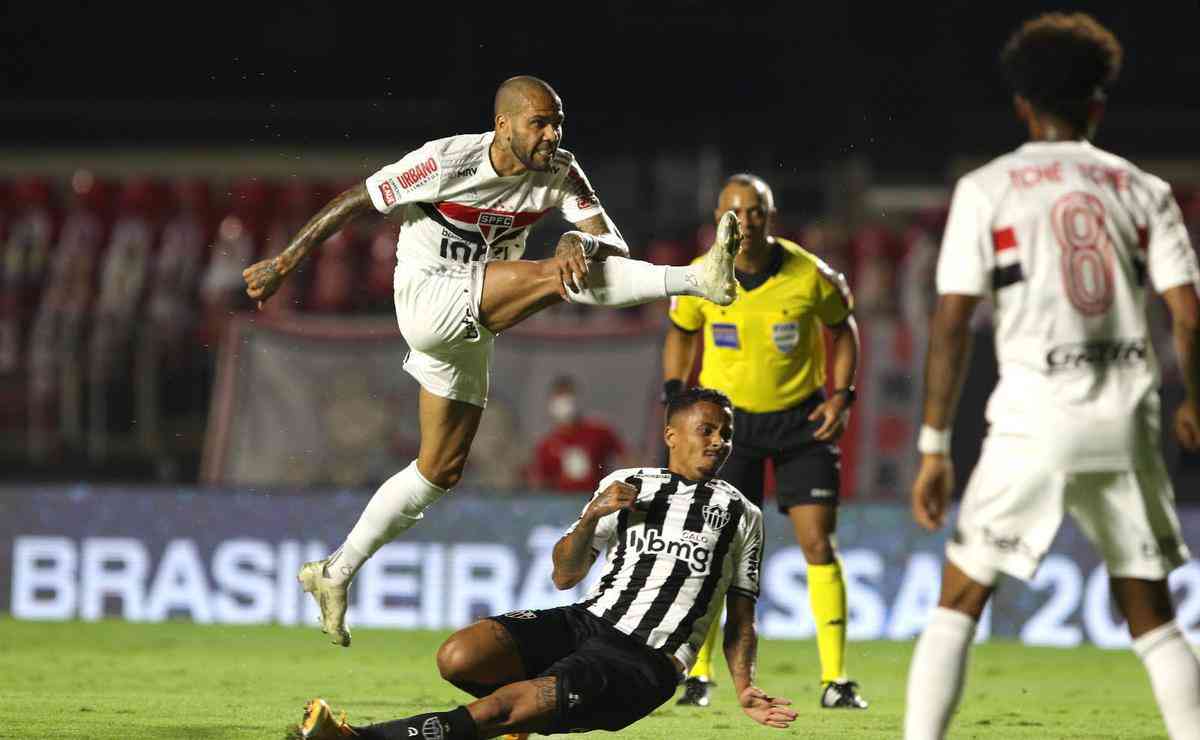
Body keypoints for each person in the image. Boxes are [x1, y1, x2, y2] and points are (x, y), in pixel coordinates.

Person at [243, 76, 743, 647]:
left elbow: (613, 248)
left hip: (477, 317)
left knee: (439, 470)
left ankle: (334, 573)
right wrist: (285, 263)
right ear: (503, 125)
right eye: (540, 123)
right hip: (428, 301)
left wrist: (584, 242)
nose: (552, 134)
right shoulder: (446, 160)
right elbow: (357, 200)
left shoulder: (561, 170)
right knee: (557, 274)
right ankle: (697, 278)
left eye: (558, 122)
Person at [904, 13, 1200, 740]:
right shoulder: (1146, 191)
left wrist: (936, 444)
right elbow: (1188, 315)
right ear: (1099, 104)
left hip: (1033, 418)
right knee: (1152, 614)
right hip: (1128, 414)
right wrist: (1194, 397)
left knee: (960, 598)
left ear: (1021, 105)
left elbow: (950, 323)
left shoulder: (987, 188)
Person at [290, 387, 797, 739]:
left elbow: (741, 618)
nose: (719, 442)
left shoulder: (742, 514)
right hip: (587, 621)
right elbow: (565, 575)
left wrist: (746, 686)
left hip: (642, 661)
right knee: (459, 657)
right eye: (707, 430)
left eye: (725, 434)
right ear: (671, 435)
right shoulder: (628, 485)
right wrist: (592, 516)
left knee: (499, 708)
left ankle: (362, 739)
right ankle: (523, 717)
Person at [662, 173, 866, 710]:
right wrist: (674, 397)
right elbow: (681, 332)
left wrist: (841, 396)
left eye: (756, 211)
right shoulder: (705, 274)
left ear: (770, 217)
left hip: (802, 422)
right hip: (730, 431)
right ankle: (699, 675)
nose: (746, 222)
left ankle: (837, 680)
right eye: (735, 212)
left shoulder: (810, 275)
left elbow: (844, 328)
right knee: (712, 549)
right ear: (719, 220)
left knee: (818, 543)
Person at [528, 375, 626, 492]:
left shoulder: (599, 432)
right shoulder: (546, 446)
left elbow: (626, 457)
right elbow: (541, 482)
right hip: (563, 503)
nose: (564, 402)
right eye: (559, 396)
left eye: (567, 396)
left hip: (598, 500)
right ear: (551, 403)